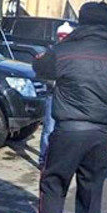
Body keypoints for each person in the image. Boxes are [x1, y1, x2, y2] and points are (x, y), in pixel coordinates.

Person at [34, 2, 107, 213]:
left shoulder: (64, 51)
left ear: (81, 22)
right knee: (91, 194)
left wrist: (45, 56)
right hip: (100, 136)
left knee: (54, 187)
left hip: (67, 131)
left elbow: (40, 69)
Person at [38, 21, 74, 168]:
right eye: (60, 36)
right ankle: (43, 158)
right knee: (49, 129)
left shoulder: (75, 55)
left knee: (66, 130)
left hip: (69, 98)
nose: (62, 39)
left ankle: (60, 160)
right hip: (53, 95)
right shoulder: (50, 53)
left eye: (65, 36)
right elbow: (42, 73)